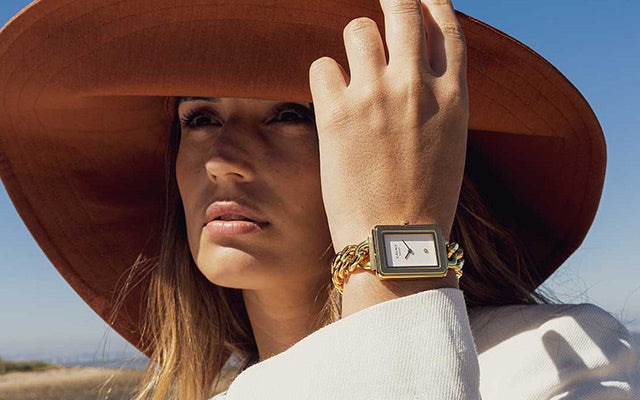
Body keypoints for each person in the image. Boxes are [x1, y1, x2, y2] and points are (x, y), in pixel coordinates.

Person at [0, 0, 638, 399]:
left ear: (406, 148)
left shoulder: (554, 356)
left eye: (290, 114)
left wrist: (396, 244)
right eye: (199, 119)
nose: (221, 159)